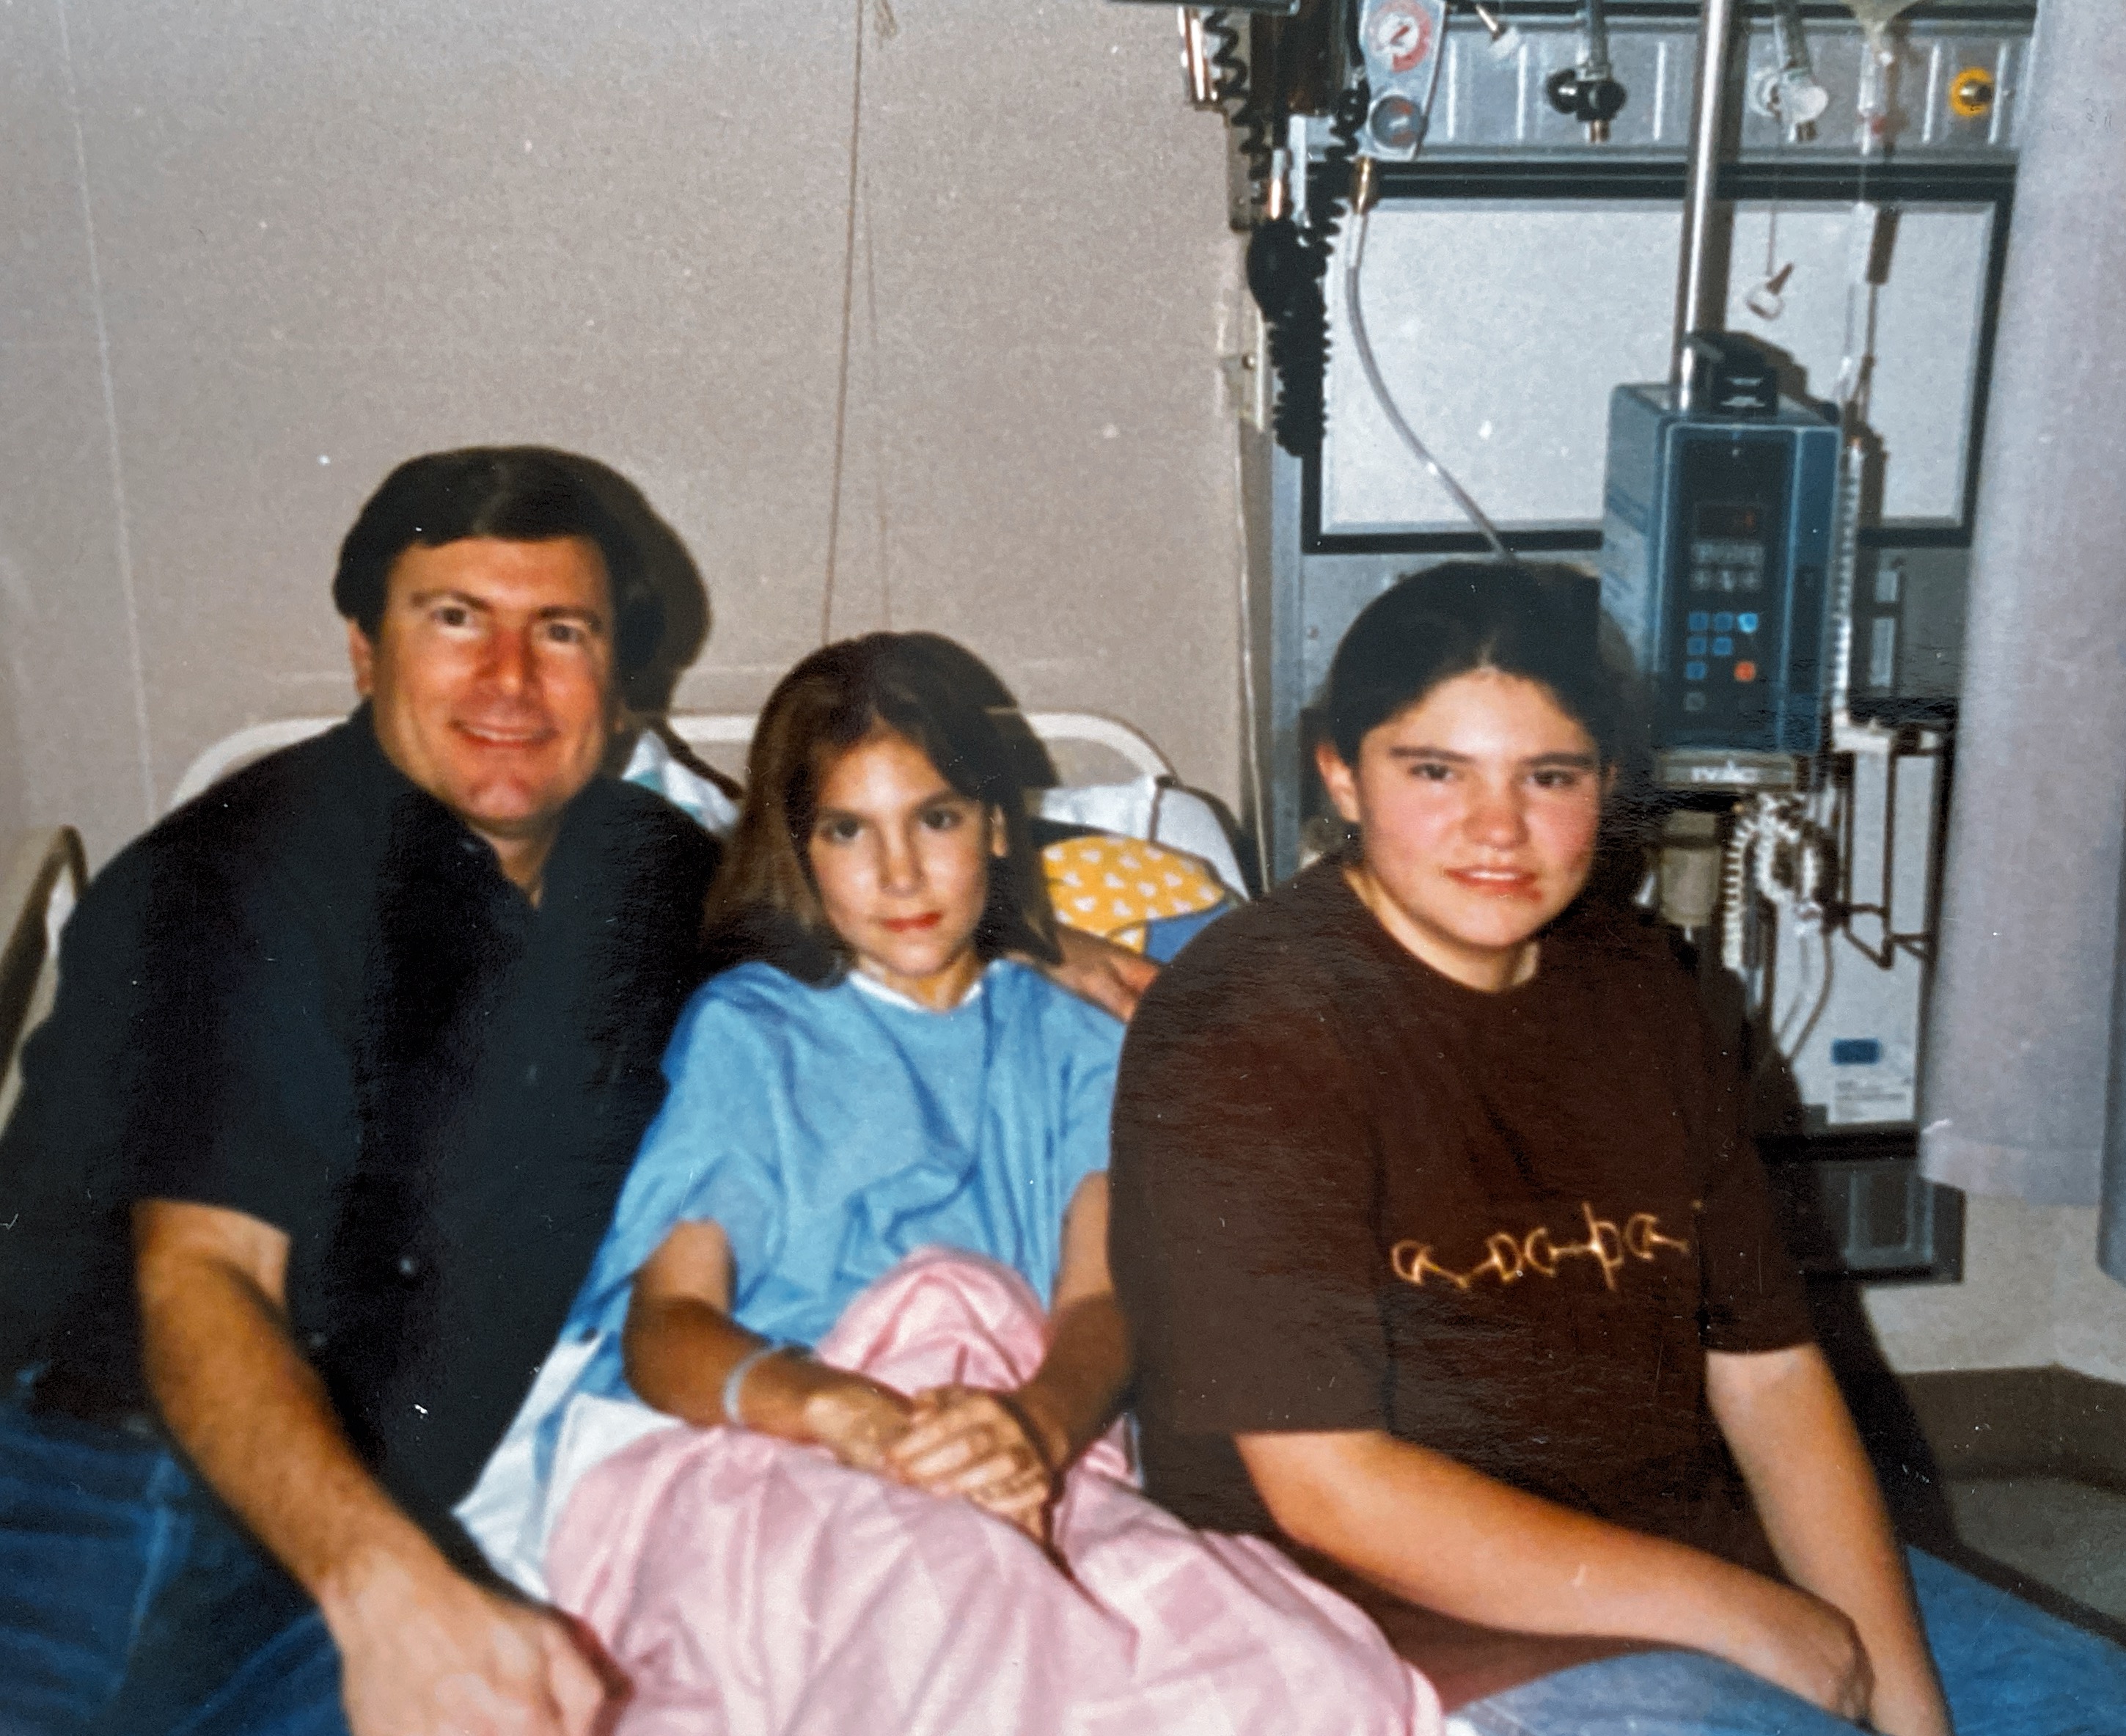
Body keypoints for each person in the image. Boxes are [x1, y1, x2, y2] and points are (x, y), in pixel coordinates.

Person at [0, 446, 1156, 1736]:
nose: (510, 680)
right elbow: (200, 1279)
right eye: (456, 621)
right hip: (112, 1486)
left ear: (619, 687)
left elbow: (859, 897)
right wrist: (384, 1585)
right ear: (364, 654)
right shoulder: (232, 885)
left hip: (373, 1531)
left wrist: (1038, 935)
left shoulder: (648, 872)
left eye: (561, 631)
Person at [1110, 563, 2126, 1736]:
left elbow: (1771, 1375)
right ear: (1341, 773)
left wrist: (1907, 1712)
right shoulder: (1246, 1032)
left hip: (1681, 1552)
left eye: (1551, 776)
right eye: (1435, 772)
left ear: (1607, 782)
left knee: (2087, 1704)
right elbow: (1330, 1487)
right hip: (1390, 1621)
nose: (1500, 829)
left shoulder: (1648, 991)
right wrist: (1748, 1620)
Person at [466, 634, 1439, 1736]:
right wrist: (844, 1414)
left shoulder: (1083, 1048)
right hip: (770, 1441)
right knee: (949, 1616)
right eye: (848, 831)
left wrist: (1032, 1426)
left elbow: (1100, 1303)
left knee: (1293, 1674)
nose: (900, 874)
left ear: (996, 825)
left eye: (935, 818)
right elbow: (669, 1327)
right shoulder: (756, 1036)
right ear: (800, 850)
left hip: (1020, 1442)